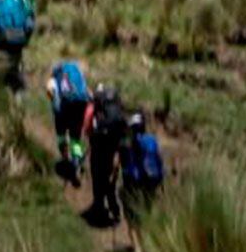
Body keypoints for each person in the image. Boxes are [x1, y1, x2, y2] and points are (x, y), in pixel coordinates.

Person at [86, 83, 128, 227]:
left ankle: (99, 207)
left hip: (99, 149)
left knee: (98, 177)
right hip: (114, 150)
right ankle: (114, 210)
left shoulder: (96, 110)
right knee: (111, 182)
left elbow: (88, 128)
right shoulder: (118, 111)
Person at [46, 60, 92, 187]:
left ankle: (66, 161)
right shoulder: (77, 75)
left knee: (61, 136)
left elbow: (50, 93)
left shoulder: (54, 79)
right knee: (75, 139)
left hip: (62, 112)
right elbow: (87, 93)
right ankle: (77, 162)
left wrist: (54, 105)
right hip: (78, 109)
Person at [118, 112, 165, 226]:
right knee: (149, 203)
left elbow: (131, 163)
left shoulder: (133, 142)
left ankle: (137, 223)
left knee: (134, 201)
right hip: (155, 176)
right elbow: (159, 158)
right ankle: (148, 224)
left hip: (140, 178)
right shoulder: (152, 139)